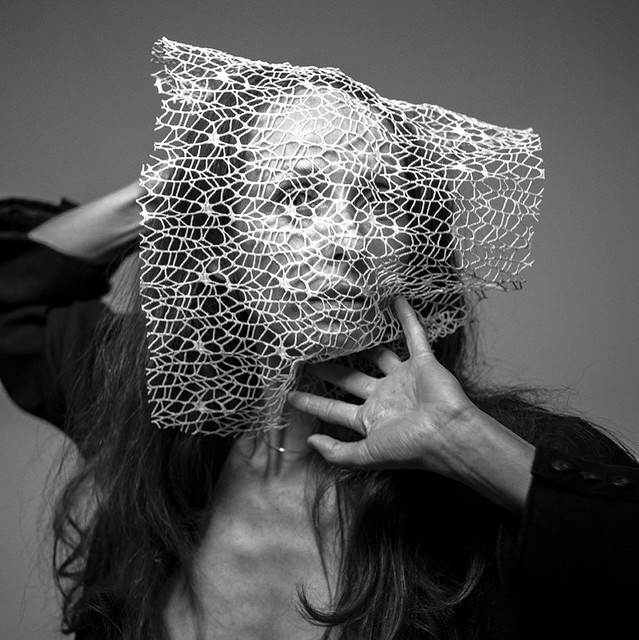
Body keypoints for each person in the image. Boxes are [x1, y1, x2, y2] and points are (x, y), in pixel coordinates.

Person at [2, 39, 639, 640]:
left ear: (411, 247)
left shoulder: (503, 458)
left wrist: (467, 443)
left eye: (379, 200)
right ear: (224, 240)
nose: (346, 239)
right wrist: (178, 186)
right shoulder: (152, 412)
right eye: (297, 195)